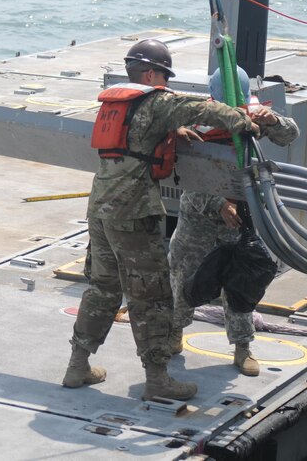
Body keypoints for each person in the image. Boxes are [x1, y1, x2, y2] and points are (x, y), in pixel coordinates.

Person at [63, 39, 259, 401]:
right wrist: (243, 121)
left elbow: (137, 139)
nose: (166, 84)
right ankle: (158, 379)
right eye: (165, 77)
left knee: (103, 288)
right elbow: (206, 109)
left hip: (100, 207)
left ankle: (77, 364)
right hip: (134, 211)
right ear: (152, 73)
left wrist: (171, 132)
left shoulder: (116, 102)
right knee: (151, 295)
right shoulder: (158, 102)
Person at [168, 66, 300, 377]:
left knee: (240, 282)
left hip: (239, 216)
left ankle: (242, 347)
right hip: (199, 216)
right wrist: (218, 202)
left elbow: (290, 134)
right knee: (182, 275)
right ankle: (173, 333)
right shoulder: (195, 120)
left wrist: (274, 120)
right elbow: (189, 172)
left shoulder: (250, 118)